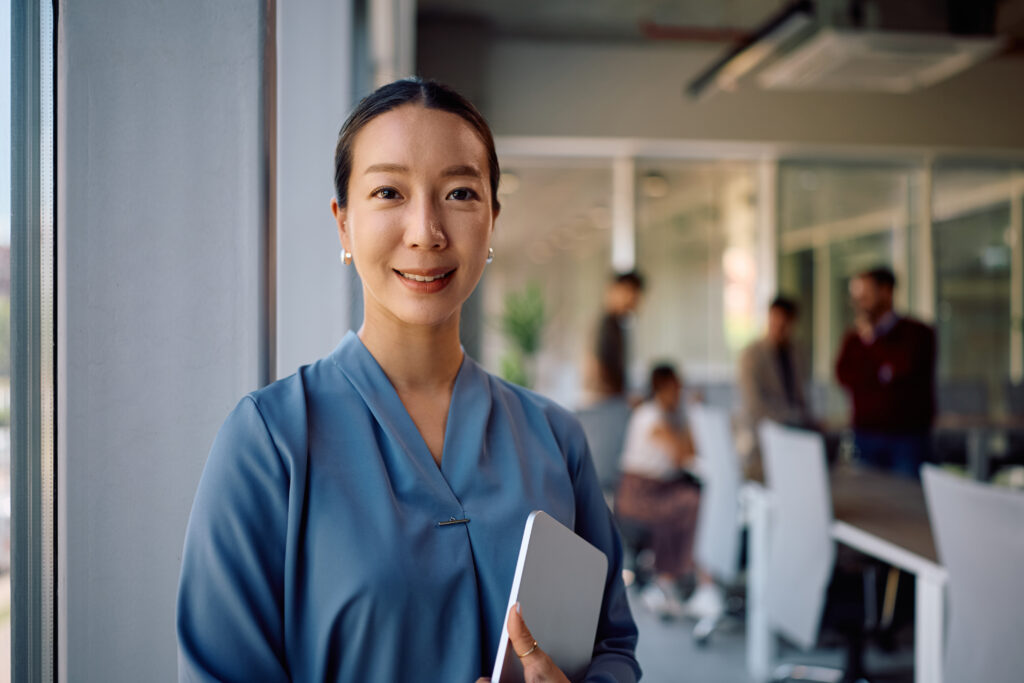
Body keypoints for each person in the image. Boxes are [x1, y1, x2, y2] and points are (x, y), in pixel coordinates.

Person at [176, 79, 640, 683]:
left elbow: (612, 649)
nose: (426, 231)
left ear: (492, 220)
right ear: (343, 224)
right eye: (389, 191)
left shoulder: (555, 438)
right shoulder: (269, 442)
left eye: (460, 193)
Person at [614, 364, 723, 620]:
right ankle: (673, 578)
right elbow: (681, 454)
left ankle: (677, 578)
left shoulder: (664, 415)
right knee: (692, 502)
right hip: (640, 496)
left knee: (691, 497)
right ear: (663, 387)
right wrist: (693, 411)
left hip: (655, 490)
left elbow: (689, 450)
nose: (680, 392)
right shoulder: (650, 416)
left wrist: (687, 415)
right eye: (677, 387)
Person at [835, 266, 936, 478]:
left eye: (865, 295)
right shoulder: (854, 339)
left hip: (907, 439)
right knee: (867, 504)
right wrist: (881, 373)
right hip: (864, 435)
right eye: (856, 296)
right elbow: (843, 375)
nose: (859, 302)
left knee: (906, 504)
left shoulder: (918, 334)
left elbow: (904, 371)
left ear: (886, 291)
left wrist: (873, 343)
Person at [737, 295, 815, 480]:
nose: (779, 327)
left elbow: (800, 395)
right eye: (775, 320)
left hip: (797, 435)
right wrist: (793, 417)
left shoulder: (797, 352)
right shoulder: (752, 355)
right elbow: (754, 406)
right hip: (763, 439)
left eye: (785, 323)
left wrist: (808, 420)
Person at [592, 271, 645, 400]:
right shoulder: (605, 326)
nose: (634, 302)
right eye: (632, 295)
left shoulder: (616, 326)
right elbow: (598, 374)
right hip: (603, 406)